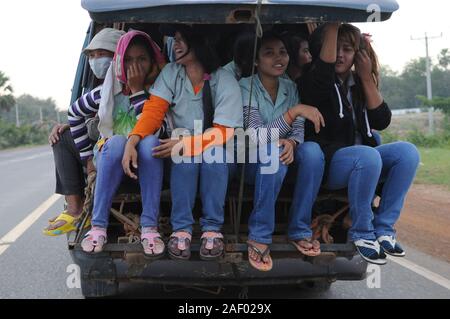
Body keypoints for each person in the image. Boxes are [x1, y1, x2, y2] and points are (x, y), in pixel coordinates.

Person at [298, 23, 420, 265]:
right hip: (330, 163)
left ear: (357, 55)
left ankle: (384, 228)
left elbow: (381, 120)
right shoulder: (314, 81)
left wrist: (366, 77)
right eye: (336, 49)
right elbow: (323, 72)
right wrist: (333, 24)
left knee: (407, 152)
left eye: (348, 49)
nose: (341, 55)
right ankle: (362, 232)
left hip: (365, 162)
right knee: (368, 154)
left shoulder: (358, 85)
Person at [122, 25, 243, 261]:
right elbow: (153, 112)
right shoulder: (171, 73)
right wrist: (132, 140)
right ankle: (181, 231)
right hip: (181, 156)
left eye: (180, 40)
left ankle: (211, 230)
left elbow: (222, 133)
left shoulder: (225, 80)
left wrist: (185, 144)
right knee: (184, 158)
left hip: (218, 157)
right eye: (174, 40)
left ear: (198, 42)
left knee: (213, 154)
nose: (174, 46)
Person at [239, 32, 325, 271]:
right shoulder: (246, 87)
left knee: (313, 151)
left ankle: (300, 229)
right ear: (256, 61)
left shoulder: (290, 86)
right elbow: (256, 136)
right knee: (270, 153)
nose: (278, 58)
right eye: (269, 53)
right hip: (251, 161)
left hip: (283, 154)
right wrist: (293, 112)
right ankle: (259, 235)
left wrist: (294, 143)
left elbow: (298, 130)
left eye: (283, 52)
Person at [79, 30, 168, 257]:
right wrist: (87, 158)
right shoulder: (108, 91)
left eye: (142, 59)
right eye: (128, 59)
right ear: (119, 62)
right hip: (111, 155)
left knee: (150, 141)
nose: (134, 65)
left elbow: (156, 127)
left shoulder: (159, 92)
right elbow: (74, 113)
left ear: (152, 63)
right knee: (118, 141)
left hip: (145, 160)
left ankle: (149, 227)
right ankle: (98, 226)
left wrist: (138, 91)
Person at [44, 28, 125, 236]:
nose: (95, 60)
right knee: (61, 137)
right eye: (92, 56)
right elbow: (75, 113)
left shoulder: (127, 86)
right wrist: (88, 160)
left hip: (126, 154)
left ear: (118, 56)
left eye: (101, 54)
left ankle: (76, 209)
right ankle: (75, 209)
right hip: (105, 152)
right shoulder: (100, 91)